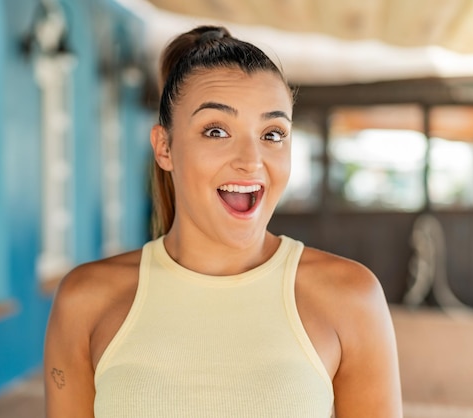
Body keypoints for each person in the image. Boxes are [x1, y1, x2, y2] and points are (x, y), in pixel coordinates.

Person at [44, 25, 402, 417]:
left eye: (273, 133)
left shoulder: (351, 299)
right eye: (217, 131)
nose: (251, 160)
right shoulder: (85, 301)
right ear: (164, 147)